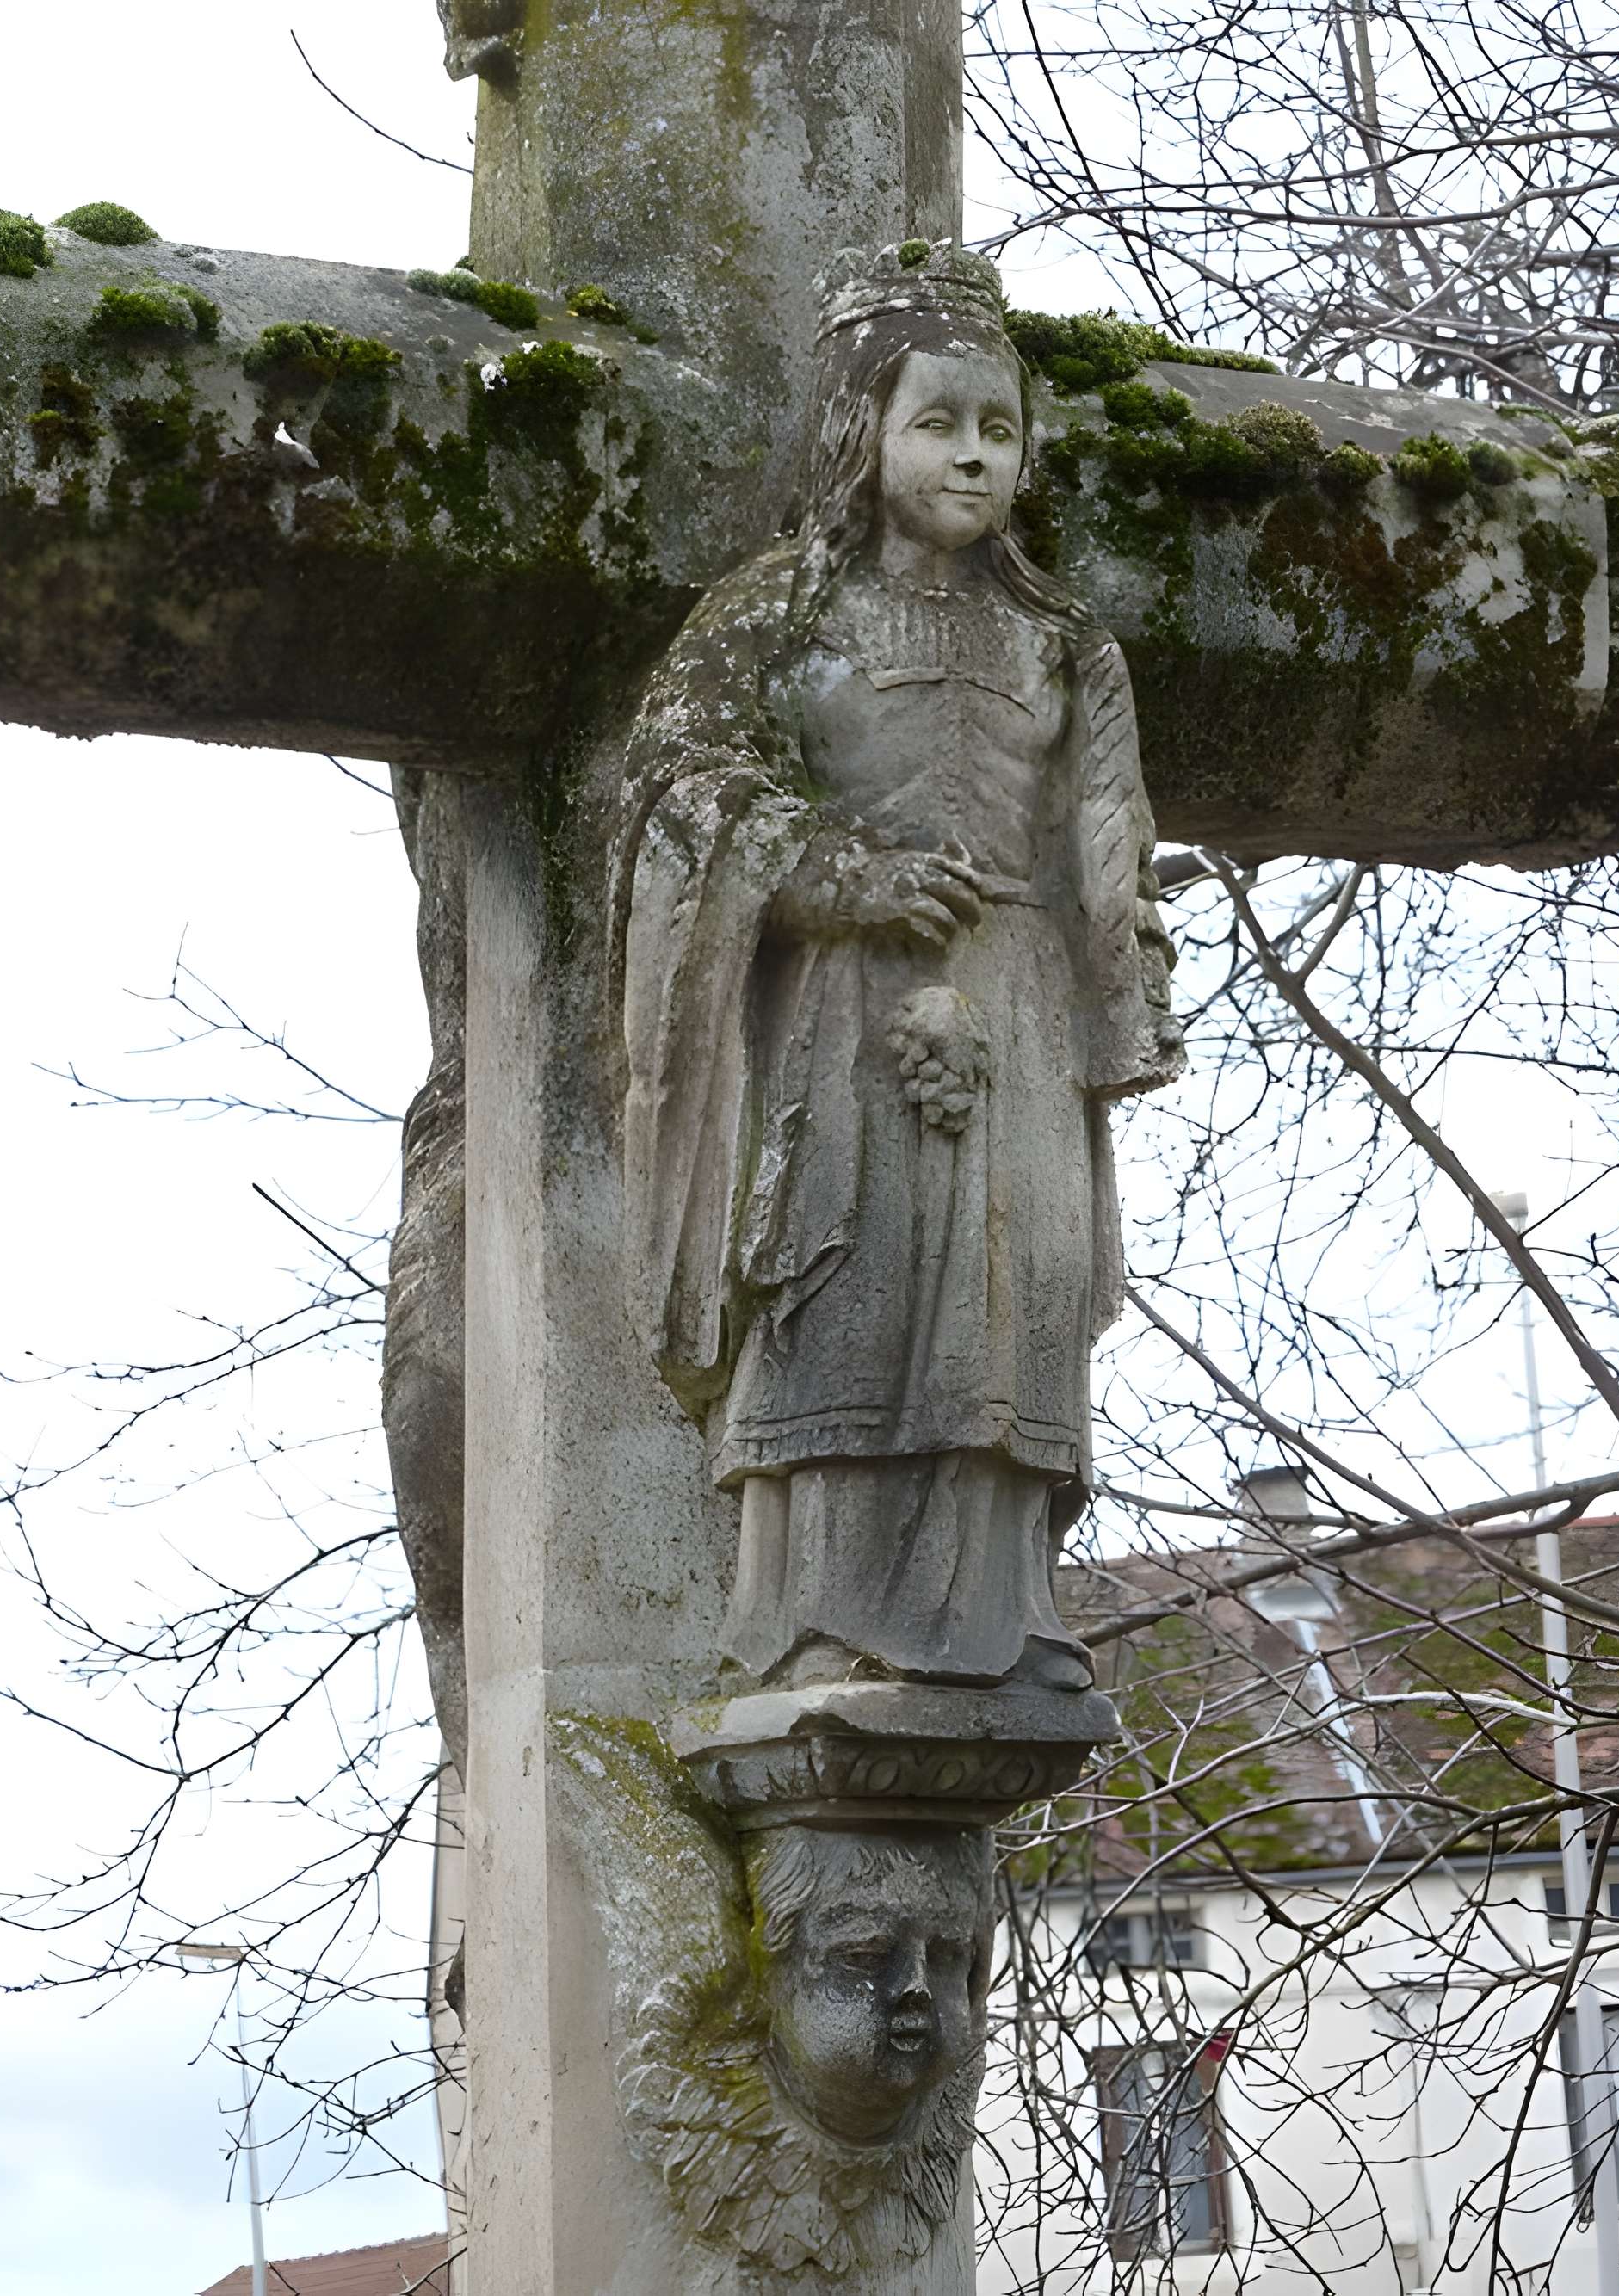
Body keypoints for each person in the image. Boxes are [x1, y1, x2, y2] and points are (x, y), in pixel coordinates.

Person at [610, 241, 1182, 1692]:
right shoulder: (776, 618)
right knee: (838, 1285)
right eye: (942, 422)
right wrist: (836, 878)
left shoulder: (1063, 645)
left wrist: (1126, 985)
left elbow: (1107, 836)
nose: (976, 458)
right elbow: (678, 791)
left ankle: (1009, 1622)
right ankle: (807, 1622)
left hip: (1018, 1018)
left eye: (1000, 430)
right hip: (839, 1013)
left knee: (1015, 1298)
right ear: (864, 433)